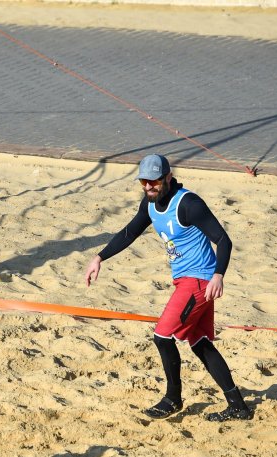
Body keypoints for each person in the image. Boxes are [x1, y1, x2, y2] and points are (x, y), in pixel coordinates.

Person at [84, 154, 253, 422]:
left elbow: (224, 240)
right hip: (187, 280)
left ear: (168, 177)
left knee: (162, 336)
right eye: (144, 182)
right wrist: (99, 258)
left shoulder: (188, 204)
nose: (149, 187)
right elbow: (130, 232)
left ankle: (172, 398)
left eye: (154, 181)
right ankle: (238, 405)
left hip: (199, 281)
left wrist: (219, 276)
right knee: (200, 343)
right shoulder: (150, 203)